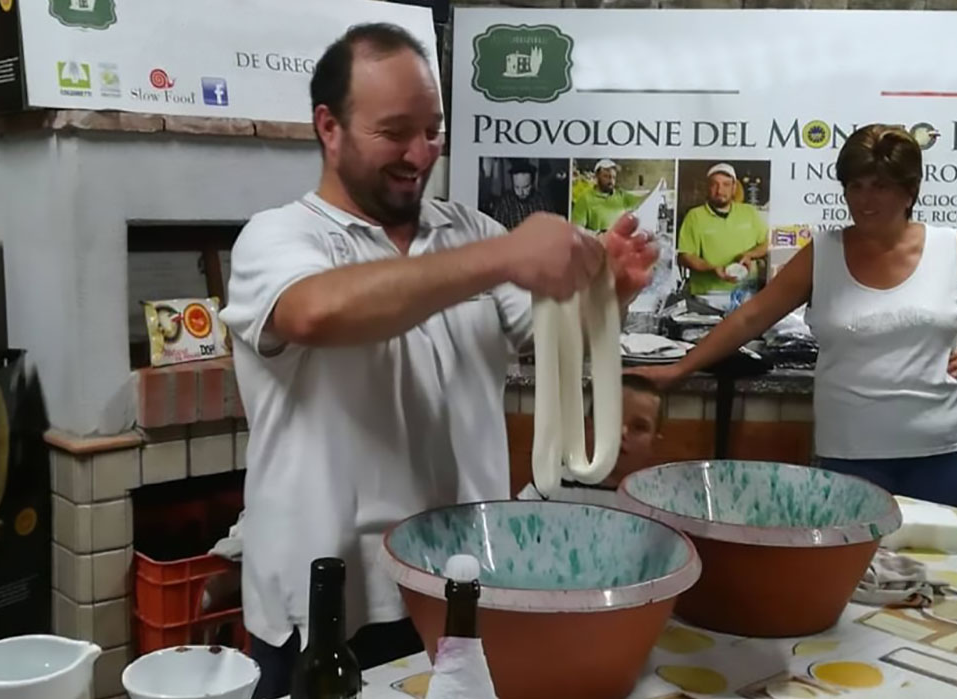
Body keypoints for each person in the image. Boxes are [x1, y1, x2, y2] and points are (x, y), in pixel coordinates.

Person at [218, 23, 657, 699]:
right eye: (395, 131)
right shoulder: (278, 237)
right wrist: (504, 255)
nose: (420, 153)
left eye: (432, 130)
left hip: (458, 584)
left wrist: (604, 295)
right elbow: (315, 312)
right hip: (330, 602)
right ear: (329, 127)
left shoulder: (468, 232)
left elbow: (541, 333)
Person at [632, 125, 957, 509]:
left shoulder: (948, 248)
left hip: (946, 446)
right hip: (852, 449)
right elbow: (750, 318)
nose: (864, 200)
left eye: (880, 186)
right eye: (855, 186)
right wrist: (680, 369)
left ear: (909, 190)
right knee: (857, 562)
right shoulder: (823, 253)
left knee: (933, 563)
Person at [516, 374, 664, 506]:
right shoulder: (551, 484)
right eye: (611, 420)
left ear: (655, 444)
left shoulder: (662, 500)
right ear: (587, 428)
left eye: (639, 427)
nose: (621, 432)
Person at [677, 163, 769, 295]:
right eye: (714, 184)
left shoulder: (749, 212)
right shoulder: (694, 216)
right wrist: (712, 268)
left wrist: (749, 255)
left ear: (734, 187)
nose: (720, 191)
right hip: (707, 295)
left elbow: (766, 243)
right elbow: (686, 256)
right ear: (708, 187)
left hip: (746, 293)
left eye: (726, 184)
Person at [571, 159, 647, 233]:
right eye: (606, 176)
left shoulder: (622, 196)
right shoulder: (585, 199)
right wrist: (598, 234)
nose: (611, 181)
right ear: (597, 176)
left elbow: (643, 200)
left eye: (613, 177)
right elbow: (576, 230)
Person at [485, 160, 556, 230]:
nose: (521, 192)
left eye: (525, 187)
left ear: (532, 184)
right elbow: (497, 232)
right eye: (517, 187)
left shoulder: (542, 202)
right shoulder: (504, 204)